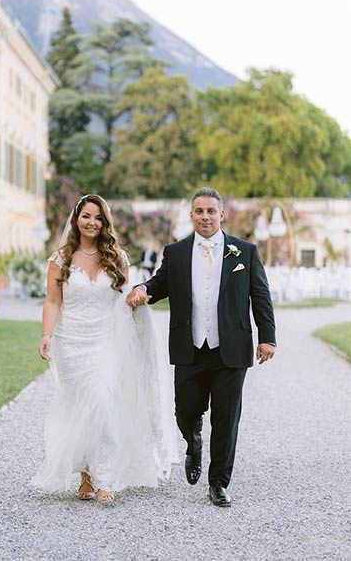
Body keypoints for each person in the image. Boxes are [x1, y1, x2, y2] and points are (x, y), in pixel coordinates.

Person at [126, 186, 276, 507]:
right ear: (191, 215)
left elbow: (260, 295)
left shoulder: (244, 252)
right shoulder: (176, 252)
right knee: (185, 410)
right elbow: (160, 283)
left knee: (226, 418)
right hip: (190, 347)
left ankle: (218, 483)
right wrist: (142, 288)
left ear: (222, 215)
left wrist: (267, 336)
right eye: (199, 211)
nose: (205, 216)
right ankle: (193, 440)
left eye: (211, 211)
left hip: (231, 349)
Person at [32, 194, 178, 504]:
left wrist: (138, 301)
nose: (92, 222)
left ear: (105, 222)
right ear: (77, 219)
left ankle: (106, 476)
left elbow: (125, 301)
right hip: (71, 341)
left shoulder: (118, 258)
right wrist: (47, 335)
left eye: (98, 218)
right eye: (86, 216)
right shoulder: (60, 259)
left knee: (104, 403)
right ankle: (85, 474)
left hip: (106, 340)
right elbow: (53, 300)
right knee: (80, 406)